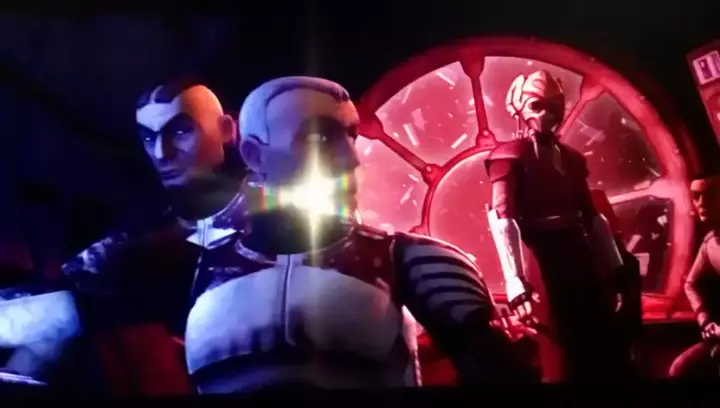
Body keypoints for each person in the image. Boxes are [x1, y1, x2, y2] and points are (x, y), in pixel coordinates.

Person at [184, 76, 535, 393]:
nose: (352, 159)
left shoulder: (407, 259)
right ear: (255, 155)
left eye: (351, 136)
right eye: (320, 137)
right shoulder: (188, 266)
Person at [61, 80, 245, 394]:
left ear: (226, 130)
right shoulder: (145, 222)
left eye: (181, 131)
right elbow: (74, 281)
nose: (161, 153)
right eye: (149, 137)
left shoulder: (266, 206)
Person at [484, 70, 633, 381]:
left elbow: (592, 216)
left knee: (599, 342)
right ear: (519, 107)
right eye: (536, 106)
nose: (546, 116)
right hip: (542, 258)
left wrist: (616, 270)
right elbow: (503, 217)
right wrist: (515, 282)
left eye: (553, 107)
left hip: (579, 253)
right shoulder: (509, 156)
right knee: (558, 348)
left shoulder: (572, 159)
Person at [668, 175, 720, 378]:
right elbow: (690, 283)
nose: (702, 203)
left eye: (711, 194)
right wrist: (704, 319)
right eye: (696, 196)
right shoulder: (710, 244)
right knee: (679, 370)